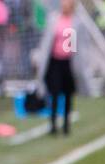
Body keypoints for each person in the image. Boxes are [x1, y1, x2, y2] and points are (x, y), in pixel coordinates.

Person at [43, 0, 76, 135]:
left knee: (68, 94)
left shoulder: (75, 22)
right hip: (55, 61)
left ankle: (66, 124)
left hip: (68, 62)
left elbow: (74, 46)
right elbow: (47, 42)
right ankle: (53, 123)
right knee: (54, 92)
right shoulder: (54, 19)